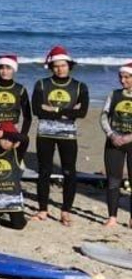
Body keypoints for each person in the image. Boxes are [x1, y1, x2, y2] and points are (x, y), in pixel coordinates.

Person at [31, 46, 90, 225]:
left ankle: (66, 210)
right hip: (45, 133)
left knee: (69, 172)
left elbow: (82, 113)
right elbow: (37, 110)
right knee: (44, 171)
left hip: (68, 135)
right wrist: (67, 111)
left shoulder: (80, 86)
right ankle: (42, 209)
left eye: (63, 65)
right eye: (56, 66)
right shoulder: (42, 84)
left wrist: (54, 109)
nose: (60, 69)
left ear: (69, 65)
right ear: (51, 66)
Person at [101, 62, 132, 228]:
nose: (122, 80)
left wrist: (129, 138)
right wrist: (112, 135)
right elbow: (104, 117)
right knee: (113, 180)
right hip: (114, 142)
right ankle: (112, 217)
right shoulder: (114, 95)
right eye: (121, 77)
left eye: (127, 77)